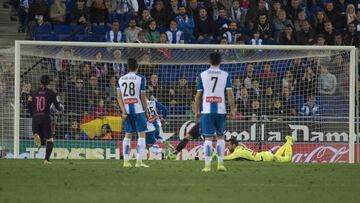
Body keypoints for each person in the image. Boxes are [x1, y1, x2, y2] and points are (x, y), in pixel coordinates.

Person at [194, 52, 236, 172]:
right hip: (221, 110)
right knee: (220, 137)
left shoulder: (203, 75)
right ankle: (220, 165)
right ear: (220, 61)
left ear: (209, 61)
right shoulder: (225, 74)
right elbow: (230, 93)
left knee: (208, 138)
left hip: (207, 110)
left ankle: (207, 166)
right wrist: (233, 109)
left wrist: (196, 111)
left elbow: (198, 95)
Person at [117, 58, 149, 168]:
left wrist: (123, 111)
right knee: (141, 135)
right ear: (137, 67)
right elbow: (143, 97)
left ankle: (126, 162)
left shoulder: (121, 79)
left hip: (127, 111)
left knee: (128, 135)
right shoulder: (141, 78)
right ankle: (139, 162)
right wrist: (147, 111)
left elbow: (119, 97)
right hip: (139, 110)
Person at [27, 75, 63, 164]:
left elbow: (28, 105)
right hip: (46, 118)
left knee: (42, 141)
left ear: (40, 82)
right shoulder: (52, 93)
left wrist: (33, 114)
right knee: (50, 139)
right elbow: (58, 107)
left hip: (35, 118)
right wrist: (61, 109)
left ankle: (36, 135)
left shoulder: (32, 93)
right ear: (49, 83)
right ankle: (46, 160)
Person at [224, 136, 294, 162]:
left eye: (228, 145)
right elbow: (240, 145)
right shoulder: (240, 147)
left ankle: (288, 142)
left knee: (287, 159)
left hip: (265, 158)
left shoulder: (237, 153)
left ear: (233, 145)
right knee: (276, 156)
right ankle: (287, 143)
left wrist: (218, 157)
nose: (227, 147)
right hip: (265, 155)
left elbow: (228, 158)